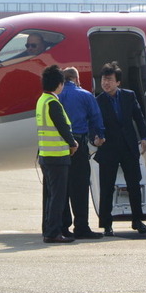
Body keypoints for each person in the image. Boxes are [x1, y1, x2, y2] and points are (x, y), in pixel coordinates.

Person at [94, 61, 146, 236]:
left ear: (118, 82)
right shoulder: (98, 100)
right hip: (108, 148)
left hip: (128, 146)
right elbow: (93, 123)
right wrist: (94, 138)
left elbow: (138, 117)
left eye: (109, 80)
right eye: (104, 79)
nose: (106, 83)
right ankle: (106, 224)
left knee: (134, 185)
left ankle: (137, 220)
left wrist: (144, 137)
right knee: (106, 186)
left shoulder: (129, 96)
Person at [58, 67, 106, 240]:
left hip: (58, 147)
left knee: (61, 188)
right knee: (79, 187)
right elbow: (96, 118)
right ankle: (81, 226)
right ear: (77, 79)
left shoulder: (56, 97)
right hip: (78, 145)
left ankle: (63, 226)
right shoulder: (85, 95)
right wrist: (99, 136)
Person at [36, 65, 78, 243]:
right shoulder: (53, 103)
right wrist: (73, 143)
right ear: (59, 84)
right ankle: (53, 233)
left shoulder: (42, 100)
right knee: (58, 197)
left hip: (46, 155)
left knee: (50, 195)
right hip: (57, 156)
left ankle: (48, 229)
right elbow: (62, 126)